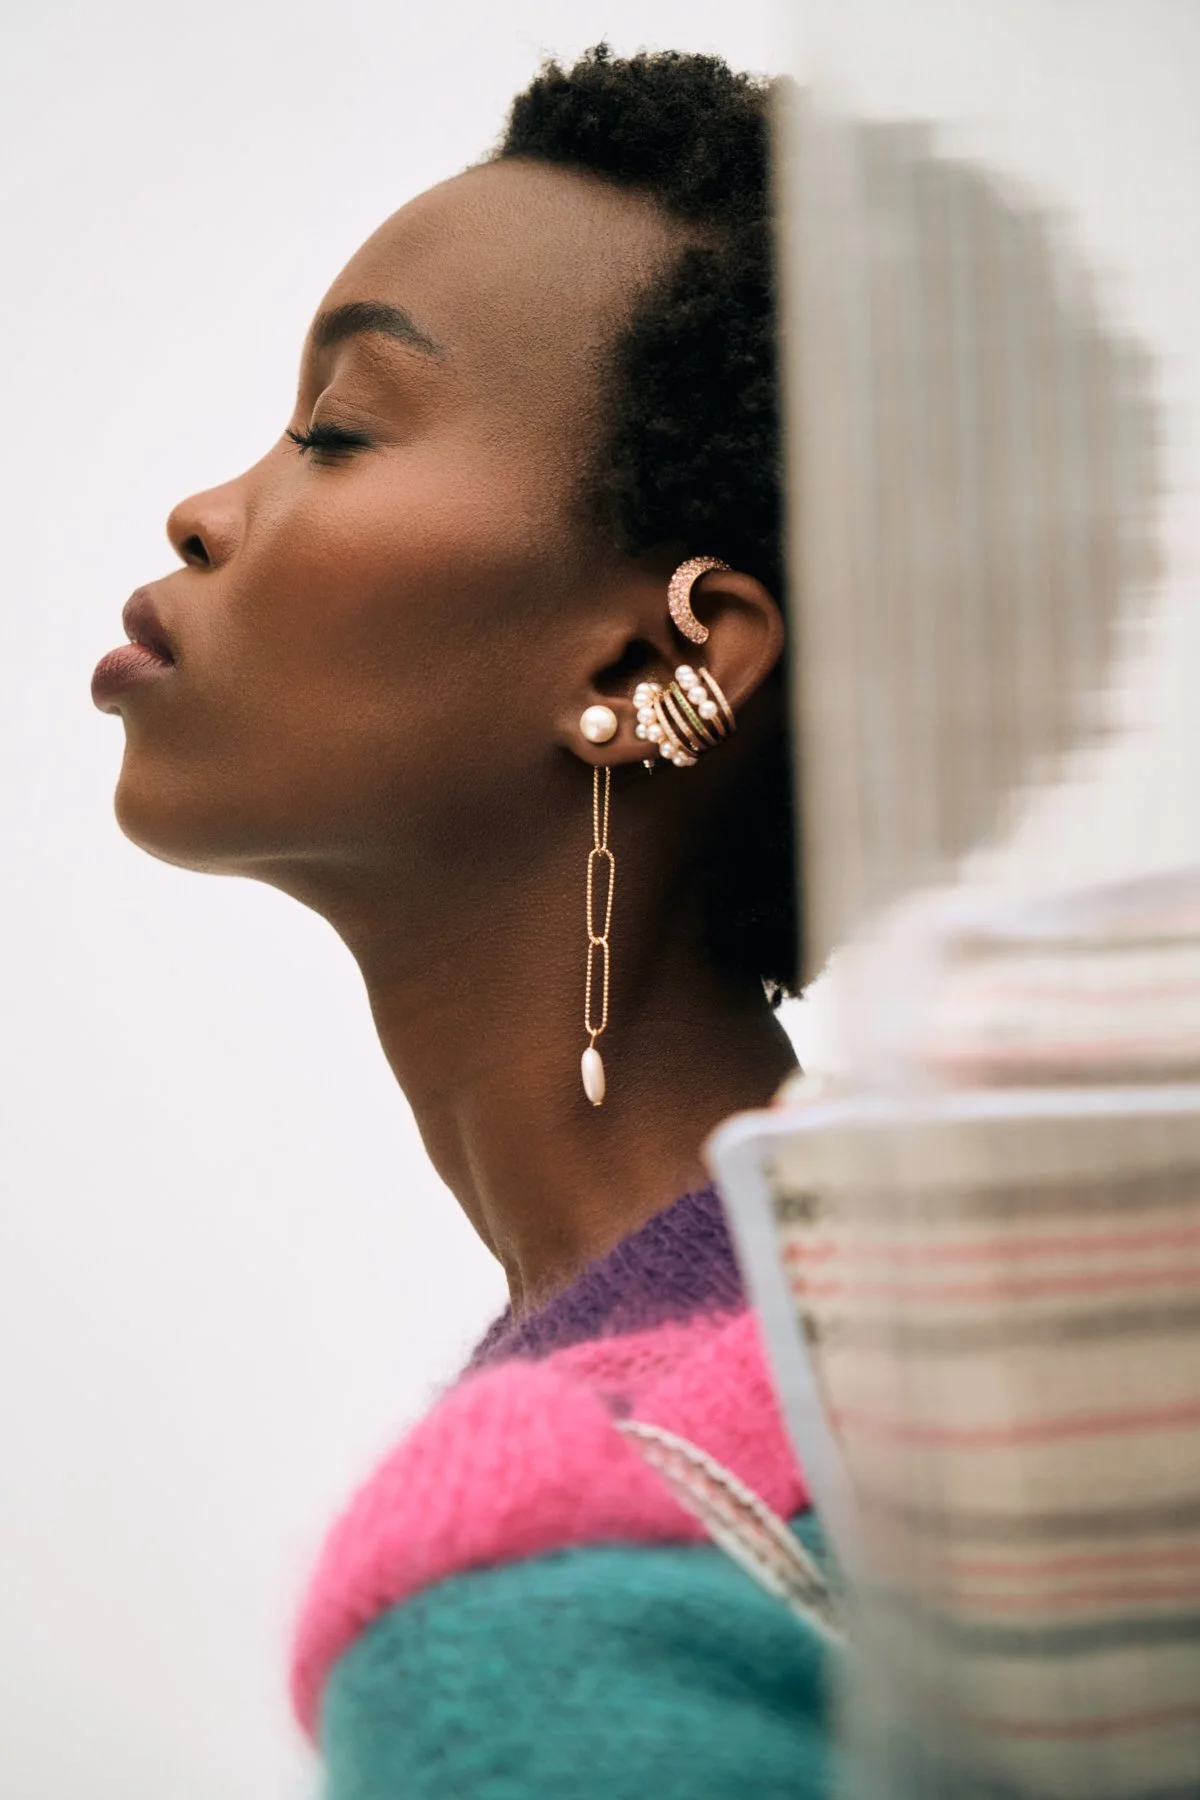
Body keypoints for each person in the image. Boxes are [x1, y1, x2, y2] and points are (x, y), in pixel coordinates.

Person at [88, 44, 832, 1798]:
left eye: (342, 428)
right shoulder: (981, 1325)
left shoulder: (549, 1569)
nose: (207, 509)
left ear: (656, 661)